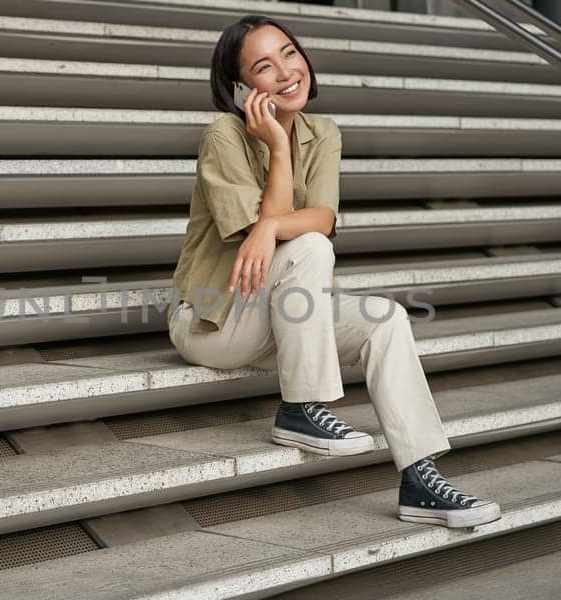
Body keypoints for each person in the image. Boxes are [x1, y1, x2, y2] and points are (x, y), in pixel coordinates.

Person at [166, 14, 501, 529]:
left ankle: (419, 479)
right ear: (239, 88)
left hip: (282, 313)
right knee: (309, 249)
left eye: (290, 54)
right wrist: (277, 147)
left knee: (386, 319)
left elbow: (323, 216)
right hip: (214, 320)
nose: (284, 71)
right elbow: (298, 233)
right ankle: (301, 408)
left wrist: (269, 225)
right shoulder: (224, 135)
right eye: (263, 66)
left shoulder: (323, 132)